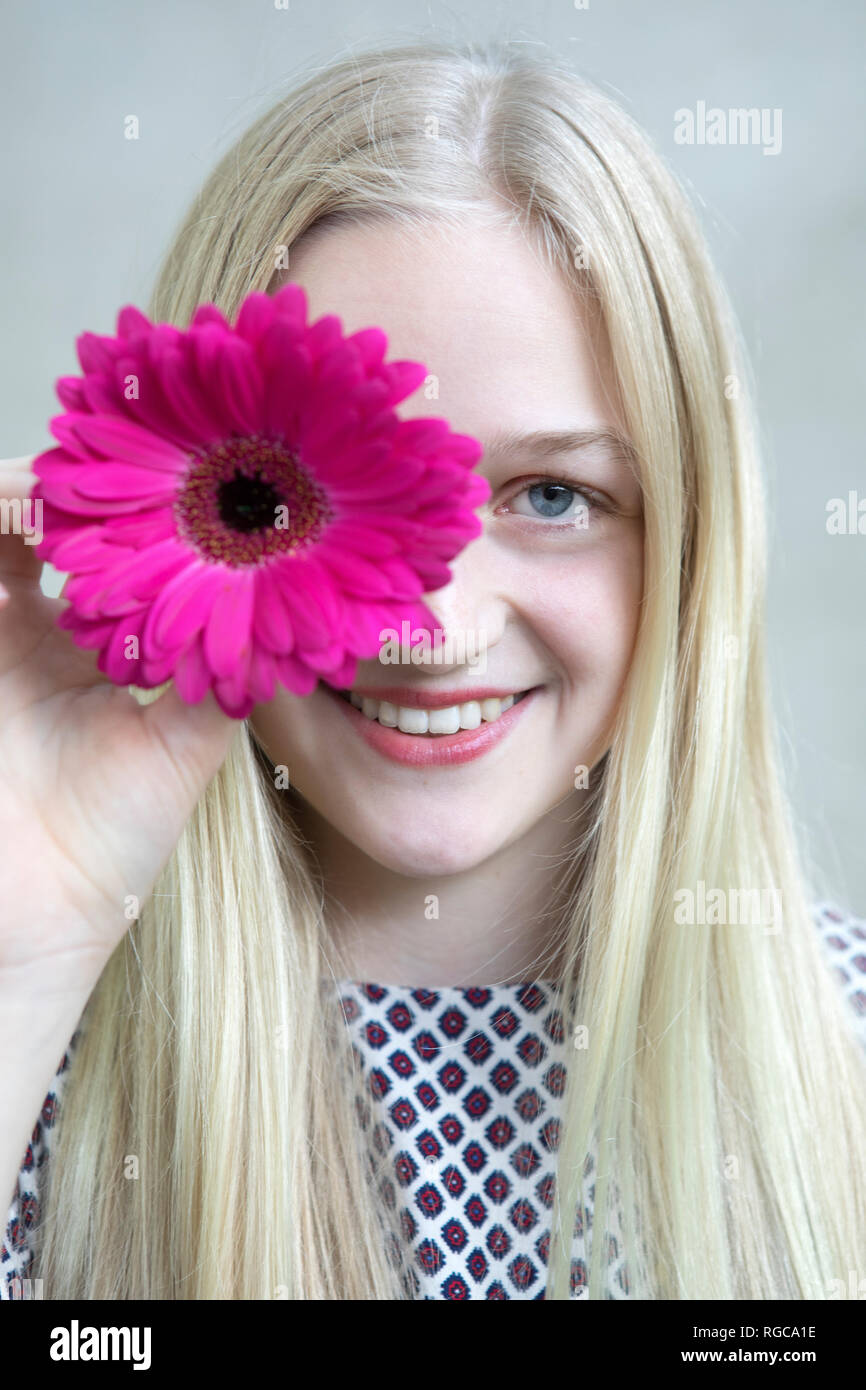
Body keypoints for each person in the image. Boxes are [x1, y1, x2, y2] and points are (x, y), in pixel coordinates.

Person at [2, 37, 865, 1302]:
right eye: (325, 495)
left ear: (685, 542)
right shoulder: (45, 1058)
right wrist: (27, 948)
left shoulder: (844, 1052)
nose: (433, 624)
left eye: (553, 495)